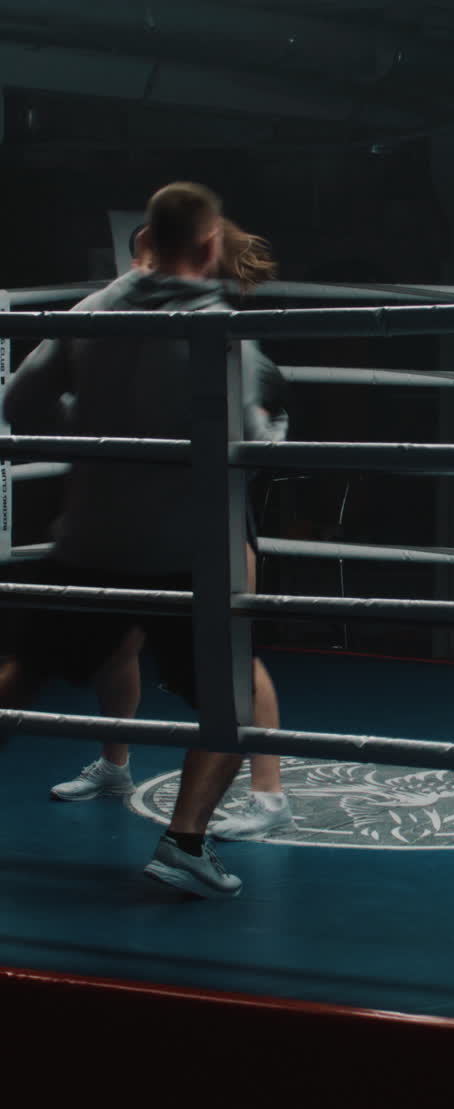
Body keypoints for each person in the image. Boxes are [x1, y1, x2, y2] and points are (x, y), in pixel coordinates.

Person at [1, 181, 281, 898]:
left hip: (91, 538)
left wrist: (100, 441)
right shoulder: (219, 327)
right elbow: (248, 441)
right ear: (210, 243)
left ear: (147, 240)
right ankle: (185, 843)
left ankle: (150, 796)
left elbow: (18, 401)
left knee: (21, 675)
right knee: (231, 705)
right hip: (186, 552)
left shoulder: (91, 311)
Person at [48, 217, 292, 840]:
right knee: (118, 643)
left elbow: (260, 441)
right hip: (136, 519)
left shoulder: (232, 341)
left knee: (230, 659)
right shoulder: (132, 339)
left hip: (211, 518)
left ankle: (268, 794)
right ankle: (114, 763)